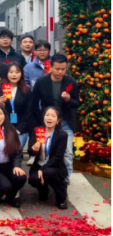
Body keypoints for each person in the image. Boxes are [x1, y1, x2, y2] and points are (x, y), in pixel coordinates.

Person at [31, 53, 79, 184]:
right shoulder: (41, 81)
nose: (60, 72)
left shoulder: (71, 82)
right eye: (57, 69)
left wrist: (68, 99)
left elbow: (77, 103)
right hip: (47, 122)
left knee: (67, 153)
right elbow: (34, 104)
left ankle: (65, 182)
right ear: (50, 67)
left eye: (63, 69)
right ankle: (44, 177)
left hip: (65, 122)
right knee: (44, 151)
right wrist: (40, 121)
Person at [27, 107, 68, 209]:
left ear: (58, 120)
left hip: (54, 166)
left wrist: (43, 169)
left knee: (49, 172)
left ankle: (61, 197)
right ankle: (43, 191)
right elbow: (30, 152)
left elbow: (58, 157)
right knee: (33, 179)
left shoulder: (62, 135)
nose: (49, 118)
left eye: (53, 116)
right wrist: (34, 149)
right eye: (47, 115)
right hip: (39, 164)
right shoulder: (37, 131)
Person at [0, 63, 33, 152]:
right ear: (6, 73)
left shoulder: (26, 90)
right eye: (11, 72)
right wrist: (0, 104)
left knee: (16, 152)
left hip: (21, 129)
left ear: (21, 74)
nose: (14, 75)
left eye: (17, 72)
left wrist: (18, 130)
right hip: (2, 128)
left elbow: (29, 112)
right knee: (2, 152)